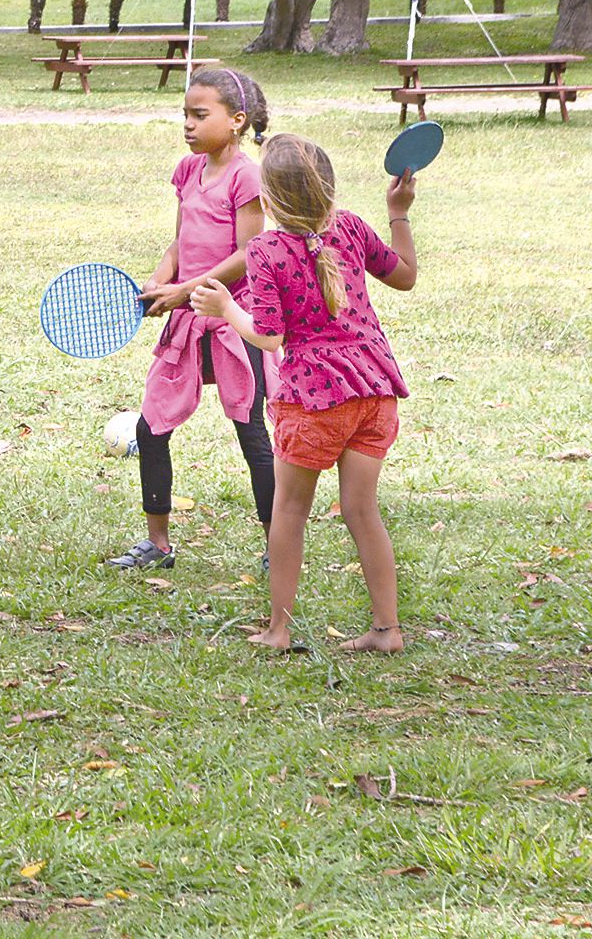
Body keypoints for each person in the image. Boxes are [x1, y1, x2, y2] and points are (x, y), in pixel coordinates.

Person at [191, 133, 418, 654]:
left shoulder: (267, 250)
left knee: (290, 511)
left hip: (314, 400)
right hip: (375, 389)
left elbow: (268, 335)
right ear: (329, 190)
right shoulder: (354, 229)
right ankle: (388, 630)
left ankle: (279, 629)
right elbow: (404, 277)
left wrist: (226, 307)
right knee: (363, 510)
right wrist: (398, 211)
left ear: (268, 199)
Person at [107, 68, 276, 573]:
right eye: (185, 114)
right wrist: (160, 281)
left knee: (252, 433)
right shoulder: (187, 170)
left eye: (200, 115)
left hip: (233, 319)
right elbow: (180, 242)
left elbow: (250, 252)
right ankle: (157, 544)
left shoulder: (247, 176)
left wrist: (186, 291)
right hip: (187, 319)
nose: (188, 124)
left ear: (237, 120)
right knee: (151, 426)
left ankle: (277, 546)